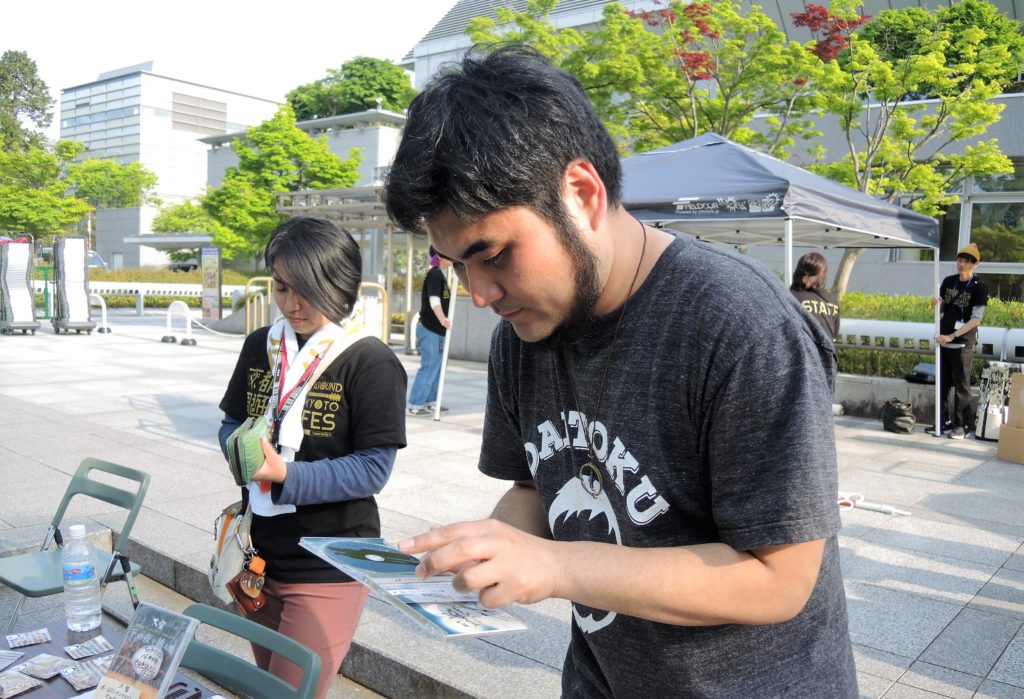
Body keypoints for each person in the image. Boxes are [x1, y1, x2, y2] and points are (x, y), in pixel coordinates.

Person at [384, 46, 855, 697]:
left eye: (491, 254)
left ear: (581, 194)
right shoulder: (522, 335)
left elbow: (780, 577)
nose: (479, 292)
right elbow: (534, 486)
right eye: (456, 266)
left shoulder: (738, 324)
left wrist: (556, 564)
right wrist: (484, 552)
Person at [218, 217, 407, 698]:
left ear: (341, 285)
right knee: (266, 688)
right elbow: (229, 421)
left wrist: (283, 473)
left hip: (329, 562)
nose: (292, 304)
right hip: (256, 553)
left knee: (291, 693)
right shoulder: (260, 345)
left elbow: (372, 469)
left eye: (308, 289)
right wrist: (237, 451)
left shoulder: (371, 361)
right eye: (282, 287)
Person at [931, 242, 988, 439]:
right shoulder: (948, 281)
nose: (961, 264)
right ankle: (942, 420)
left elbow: (976, 319)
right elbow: (942, 309)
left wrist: (953, 335)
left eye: (966, 261)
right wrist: (935, 305)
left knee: (962, 386)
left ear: (976, 264)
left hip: (962, 342)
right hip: (943, 340)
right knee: (942, 382)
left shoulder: (979, 287)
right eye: (960, 260)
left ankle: (961, 425)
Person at [408, 246, 452, 415]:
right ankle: (415, 404)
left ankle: (432, 401)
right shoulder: (435, 274)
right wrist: (443, 319)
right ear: (441, 256)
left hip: (438, 330)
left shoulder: (440, 274)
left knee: (437, 367)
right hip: (430, 329)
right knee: (430, 367)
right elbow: (434, 301)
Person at [790, 251, 840, 340]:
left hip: (801, 352)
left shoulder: (790, 297)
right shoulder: (832, 301)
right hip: (826, 353)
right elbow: (834, 335)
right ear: (823, 275)